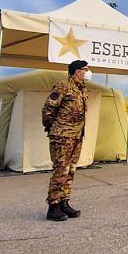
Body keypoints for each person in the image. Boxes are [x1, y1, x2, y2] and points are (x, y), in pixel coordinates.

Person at [41, 60, 91, 221]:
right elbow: (48, 108)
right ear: (77, 71)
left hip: (76, 135)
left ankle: (64, 202)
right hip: (62, 136)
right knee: (61, 170)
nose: (88, 72)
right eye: (85, 69)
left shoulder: (81, 89)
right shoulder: (63, 86)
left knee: (70, 170)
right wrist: (54, 127)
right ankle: (53, 206)